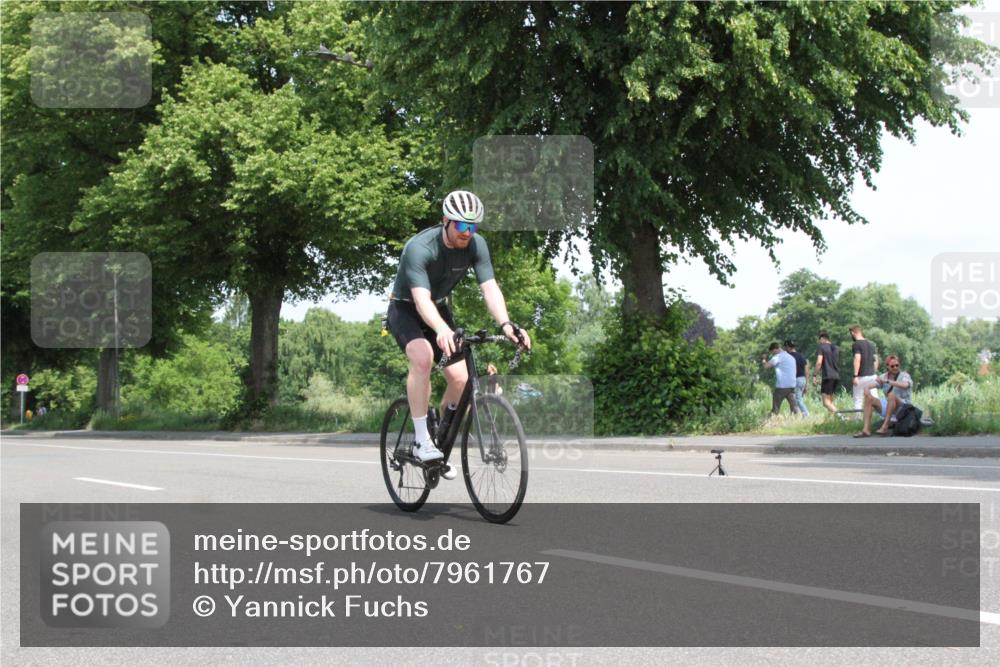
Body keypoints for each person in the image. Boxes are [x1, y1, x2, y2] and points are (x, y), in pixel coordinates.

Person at [385, 190, 531, 477]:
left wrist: (506, 324)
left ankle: (441, 434)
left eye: (473, 226)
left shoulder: (476, 245)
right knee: (423, 358)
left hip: (437, 309)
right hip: (406, 309)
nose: (467, 232)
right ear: (446, 221)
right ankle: (422, 441)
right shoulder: (420, 248)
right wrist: (440, 328)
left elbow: (489, 288)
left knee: (462, 380)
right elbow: (421, 299)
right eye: (462, 226)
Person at [856, 355, 914, 437]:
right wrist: (866, 388)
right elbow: (873, 384)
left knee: (891, 395)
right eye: (892, 366)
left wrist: (888, 381)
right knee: (869, 399)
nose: (895, 368)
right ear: (887, 366)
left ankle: (885, 426)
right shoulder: (883, 376)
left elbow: (905, 385)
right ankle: (866, 430)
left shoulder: (904, 375)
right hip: (889, 405)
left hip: (903, 406)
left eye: (897, 365)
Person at [762, 342, 799, 416]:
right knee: (794, 408)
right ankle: (797, 420)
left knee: (775, 408)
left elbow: (766, 366)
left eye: (772, 352)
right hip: (792, 385)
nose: (773, 354)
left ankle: (772, 419)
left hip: (782, 386)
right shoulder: (791, 357)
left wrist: (763, 359)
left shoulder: (778, 357)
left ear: (775, 349)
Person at [849, 325, 879, 411]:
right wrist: (874, 372)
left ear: (853, 333)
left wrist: (855, 376)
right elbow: (876, 360)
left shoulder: (856, 344)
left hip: (861, 377)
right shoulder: (871, 344)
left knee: (858, 399)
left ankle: (857, 420)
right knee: (875, 398)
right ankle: (879, 416)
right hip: (872, 376)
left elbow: (857, 359)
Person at [812, 332, 841, 414]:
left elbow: (819, 362)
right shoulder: (836, 348)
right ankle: (833, 420)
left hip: (828, 377)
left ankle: (843, 417)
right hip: (836, 376)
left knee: (826, 403)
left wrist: (814, 375)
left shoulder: (822, 347)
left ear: (823, 338)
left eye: (820, 340)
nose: (820, 342)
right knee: (830, 402)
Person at [784, 340, 809, 417]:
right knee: (795, 398)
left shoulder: (788, 357)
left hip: (795, 380)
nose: (785, 349)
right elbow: (806, 370)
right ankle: (794, 415)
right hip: (802, 379)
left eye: (785, 347)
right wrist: (806, 384)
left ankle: (806, 414)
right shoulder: (801, 356)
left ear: (788, 347)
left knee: (797, 399)